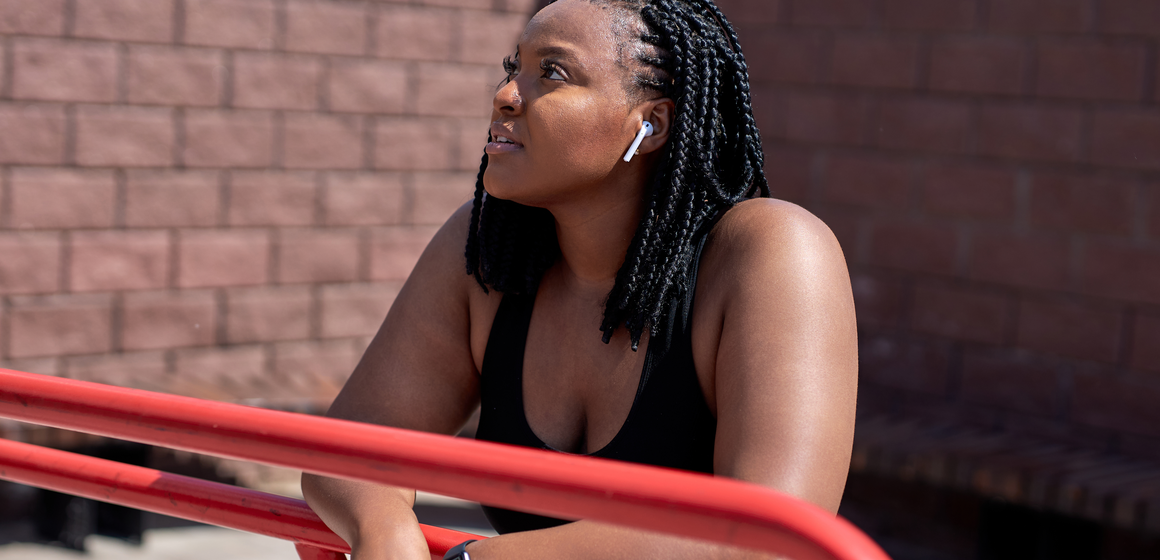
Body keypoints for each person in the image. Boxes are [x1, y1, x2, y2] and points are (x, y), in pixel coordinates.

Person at [301, 0, 858, 557]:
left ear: (649, 125)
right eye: (512, 67)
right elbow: (349, 451)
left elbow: (777, 535)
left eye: (552, 73)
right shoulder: (490, 251)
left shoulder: (771, 255)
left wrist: (478, 559)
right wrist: (387, 531)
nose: (505, 95)